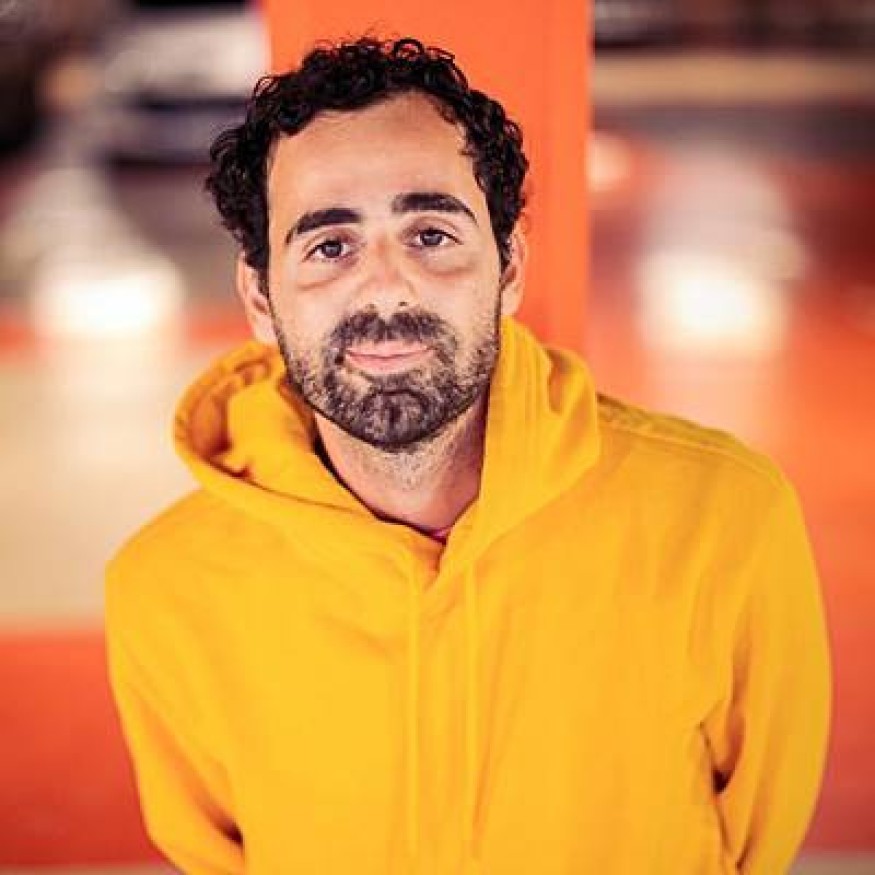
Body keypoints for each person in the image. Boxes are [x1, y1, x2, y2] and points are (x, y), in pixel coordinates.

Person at [105, 36, 831, 875]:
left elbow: (755, 836)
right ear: (260, 299)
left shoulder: (722, 521)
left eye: (431, 233)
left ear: (509, 266)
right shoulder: (165, 591)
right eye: (329, 246)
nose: (387, 286)